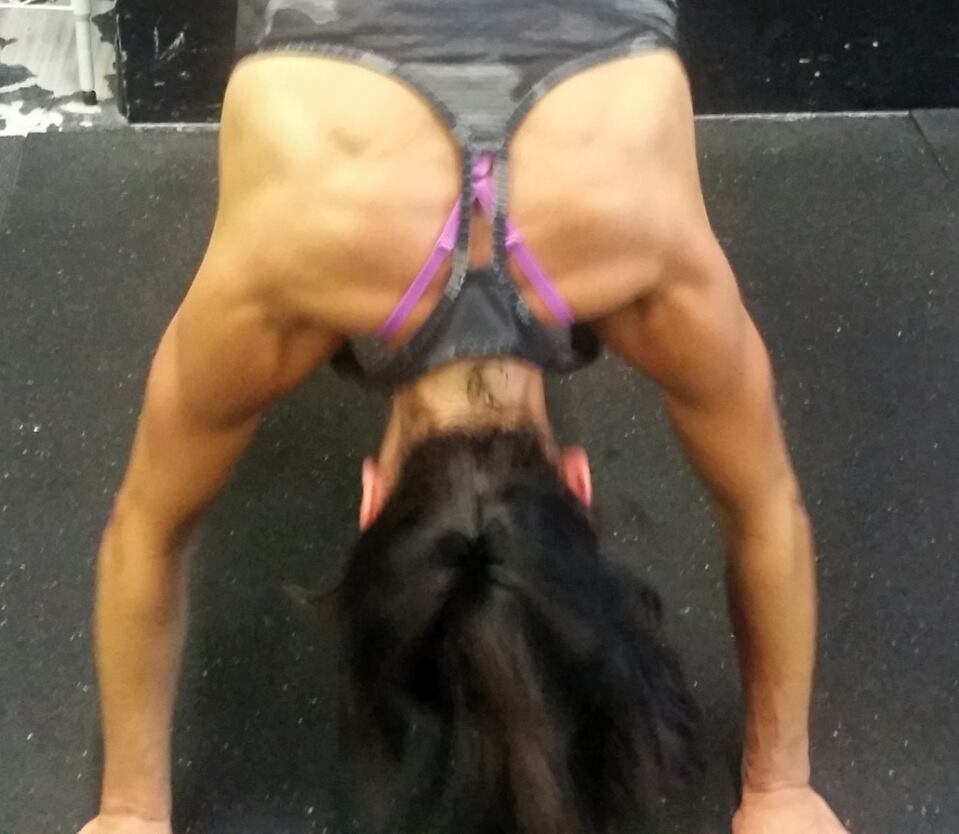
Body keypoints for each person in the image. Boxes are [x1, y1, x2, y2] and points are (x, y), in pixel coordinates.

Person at [80, 1, 850, 832]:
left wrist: (784, 786)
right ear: (369, 499)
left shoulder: (641, 245)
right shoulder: (285, 262)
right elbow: (143, 533)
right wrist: (127, 814)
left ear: (578, 484)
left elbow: (768, 506)